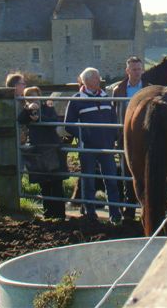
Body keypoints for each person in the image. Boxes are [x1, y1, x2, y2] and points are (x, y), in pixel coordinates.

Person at [65, 67, 122, 224]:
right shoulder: (77, 100)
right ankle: (90, 213)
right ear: (87, 81)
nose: (99, 80)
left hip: (106, 146)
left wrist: (113, 136)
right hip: (88, 148)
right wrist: (85, 135)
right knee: (88, 181)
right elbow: (68, 124)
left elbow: (113, 118)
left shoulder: (105, 97)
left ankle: (115, 213)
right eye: (96, 78)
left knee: (111, 180)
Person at [18, 86, 67, 220]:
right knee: (44, 183)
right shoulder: (28, 111)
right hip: (38, 151)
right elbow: (20, 120)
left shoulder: (48, 108)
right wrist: (28, 110)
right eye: (29, 97)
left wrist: (39, 117)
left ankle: (60, 215)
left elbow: (53, 122)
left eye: (35, 96)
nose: (33, 99)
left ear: (40, 96)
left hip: (51, 148)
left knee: (56, 183)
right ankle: (48, 214)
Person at [112, 56, 146, 221]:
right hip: (125, 137)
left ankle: (146, 209)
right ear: (127, 71)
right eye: (134, 69)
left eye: (139, 69)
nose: (137, 72)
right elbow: (114, 112)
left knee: (145, 172)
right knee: (127, 172)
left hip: (145, 136)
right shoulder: (118, 90)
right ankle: (129, 210)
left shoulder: (149, 88)